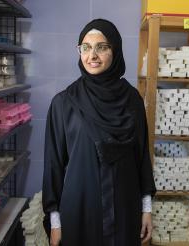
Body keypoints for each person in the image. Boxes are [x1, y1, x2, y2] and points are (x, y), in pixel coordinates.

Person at [42, 18, 156, 246]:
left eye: (101, 47)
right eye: (85, 48)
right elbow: (53, 165)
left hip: (125, 207)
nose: (92, 55)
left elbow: (141, 156)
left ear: (115, 51)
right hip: (81, 211)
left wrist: (146, 209)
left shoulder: (132, 100)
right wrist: (55, 222)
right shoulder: (64, 103)